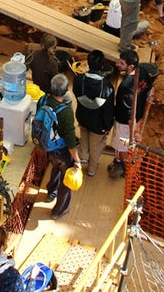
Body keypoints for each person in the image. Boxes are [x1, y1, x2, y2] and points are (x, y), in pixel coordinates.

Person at [40, 74, 81, 220]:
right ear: (65, 91)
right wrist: (76, 159)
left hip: (48, 147)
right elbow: (70, 138)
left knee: (55, 168)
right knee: (66, 181)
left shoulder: (43, 100)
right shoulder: (65, 112)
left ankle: (51, 193)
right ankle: (59, 210)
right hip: (62, 151)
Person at [109, 49, 152, 179]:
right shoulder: (143, 72)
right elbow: (150, 87)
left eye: (121, 63)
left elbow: (129, 115)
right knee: (122, 146)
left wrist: (134, 133)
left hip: (125, 123)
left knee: (122, 147)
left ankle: (127, 169)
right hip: (137, 117)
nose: (118, 64)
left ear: (131, 66)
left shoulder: (125, 86)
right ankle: (118, 161)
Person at [73, 50, 114, 178]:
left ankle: (83, 158)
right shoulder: (106, 87)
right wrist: (108, 126)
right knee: (95, 147)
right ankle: (91, 168)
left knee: (84, 137)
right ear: (102, 66)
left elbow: (76, 94)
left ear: (88, 64)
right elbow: (108, 110)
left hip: (83, 117)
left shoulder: (79, 80)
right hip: (98, 124)